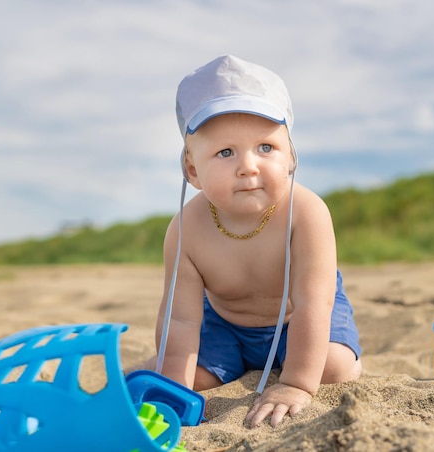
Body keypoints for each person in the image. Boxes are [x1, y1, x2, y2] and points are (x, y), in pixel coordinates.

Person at [132, 55, 361, 428]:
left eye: (266, 148)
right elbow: (181, 318)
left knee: (331, 369)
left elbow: (311, 305)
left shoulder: (306, 213)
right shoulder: (186, 228)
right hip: (225, 324)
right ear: (192, 169)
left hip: (296, 317)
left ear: (291, 156)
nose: (248, 166)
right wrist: (173, 386)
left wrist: (296, 385)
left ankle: (316, 362)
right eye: (225, 152)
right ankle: (208, 366)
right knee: (190, 379)